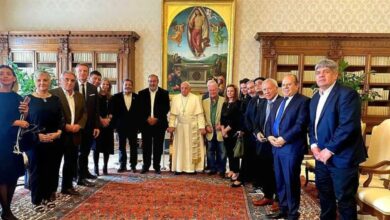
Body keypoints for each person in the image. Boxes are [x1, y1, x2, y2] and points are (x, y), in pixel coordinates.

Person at [309, 59, 366, 220]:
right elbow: (311, 126)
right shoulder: (314, 98)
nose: (321, 75)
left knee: (345, 200)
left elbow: (348, 126)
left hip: (343, 158)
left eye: (325, 71)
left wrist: (329, 150)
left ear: (335, 75)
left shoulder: (347, 94)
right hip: (321, 157)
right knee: (325, 197)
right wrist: (314, 145)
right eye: (318, 72)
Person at [265, 74, 310, 219]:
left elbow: (300, 125)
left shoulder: (303, 101)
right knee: (280, 180)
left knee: (290, 180)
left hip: (291, 147)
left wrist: (284, 138)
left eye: (289, 84)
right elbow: (270, 122)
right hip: (276, 147)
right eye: (283, 85)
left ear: (297, 85)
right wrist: (269, 136)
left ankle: (292, 212)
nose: (285, 87)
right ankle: (283, 209)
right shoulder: (278, 102)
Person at [27, 71, 64, 211]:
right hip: (35, 141)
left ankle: (48, 196)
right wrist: (37, 136)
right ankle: (37, 199)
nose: (42, 83)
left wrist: (58, 132)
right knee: (37, 169)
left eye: (45, 80)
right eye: (39, 80)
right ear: (35, 81)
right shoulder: (28, 99)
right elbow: (25, 122)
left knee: (52, 169)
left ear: (50, 82)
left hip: (54, 140)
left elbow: (61, 118)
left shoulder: (55, 99)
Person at [0, 65, 33, 220]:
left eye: (8, 74)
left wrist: (25, 114)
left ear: (14, 78)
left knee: (13, 175)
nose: (5, 76)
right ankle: (6, 211)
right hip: (1, 142)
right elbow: (13, 121)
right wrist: (14, 122)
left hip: (15, 143)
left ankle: (7, 208)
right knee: (1, 176)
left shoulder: (18, 97)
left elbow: (24, 119)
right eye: (1, 74)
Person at [51, 71, 87, 196]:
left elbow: (84, 113)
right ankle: (52, 190)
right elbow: (51, 115)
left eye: (72, 80)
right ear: (60, 80)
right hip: (59, 134)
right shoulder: (53, 94)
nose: (69, 82)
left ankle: (67, 186)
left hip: (74, 134)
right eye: (66, 79)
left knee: (71, 162)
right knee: (54, 163)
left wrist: (79, 125)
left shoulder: (79, 96)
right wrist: (64, 126)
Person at [251, 79, 280, 208]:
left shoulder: (282, 103)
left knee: (278, 173)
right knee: (266, 171)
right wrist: (257, 133)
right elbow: (256, 123)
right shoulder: (262, 103)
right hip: (263, 143)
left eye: (269, 89)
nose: (266, 92)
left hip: (277, 144)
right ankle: (268, 196)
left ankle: (279, 200)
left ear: (276, 88)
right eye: (264, 89)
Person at [167, 81, 206, 174]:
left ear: (190, 89)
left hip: (192, 127)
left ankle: (191, 169)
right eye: (182, 88)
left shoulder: (195, 98)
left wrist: (201, 127)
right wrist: (171, 125)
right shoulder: (176, 98)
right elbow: (172, 115)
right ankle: (178, 168)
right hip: (179, 127)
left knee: (190, 149)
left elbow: (200, 114)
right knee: (180, 149)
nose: (183, 90)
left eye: (186, 88)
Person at [138, 74, 170, 174]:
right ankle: (146, 166)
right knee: (146, 146)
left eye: (154, 81)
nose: (152, 83)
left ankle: (157, 166)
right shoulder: (141, 93)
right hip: (145, 124)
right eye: (150, 81)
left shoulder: (164, 93)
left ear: (158, 82)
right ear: (148, 82)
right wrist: (147, 118)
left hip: (159, 123)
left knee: (158, 146)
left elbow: (166, 108)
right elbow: (139, 108)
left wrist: (156, 118)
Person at [74, 63, 100, 186]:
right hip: (75, 126)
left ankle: (84, 172)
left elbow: (96, 109)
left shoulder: (93, 88)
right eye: (80, 71)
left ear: (88, 73)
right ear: (76, 72)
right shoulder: (71, 86)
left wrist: (96, 126)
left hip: (89, 126)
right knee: (76, 152)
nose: (83, 73)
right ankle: (78, 176)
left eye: (85, 71)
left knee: (85, 151)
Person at [111, 79, 140, 173]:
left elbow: (140, 113)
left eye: (129, 84)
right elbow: (113, 112)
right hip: (121, 127)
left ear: (132, 86)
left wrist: (139, 127)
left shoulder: (137, 97)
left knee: (133, 147)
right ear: (122, 86)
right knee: (121, 147)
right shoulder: (116, 97)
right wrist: (114, 126)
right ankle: (122, 165)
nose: (127, 86)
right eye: (126, 84)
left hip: (133, 127)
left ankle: (133, 165)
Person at [202, 80, 226, 177]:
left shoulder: (224, 100)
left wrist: (222, 124)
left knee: (222, 151)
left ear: (217, 89)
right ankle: (212, 168)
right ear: (208, 90)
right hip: (209, 131)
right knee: (210, 151)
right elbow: (201, 116)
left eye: (214, 90)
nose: (212, 92)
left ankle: (221, 169)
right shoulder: (204, 102)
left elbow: (227, 116)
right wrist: (205, 126)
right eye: (210, 90)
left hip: (220, 130)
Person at [93, 78, 114, 176]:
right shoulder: (96, 97)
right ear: (100, 85)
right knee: (97, 147)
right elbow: (94, 110)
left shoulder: (111, 98)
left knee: (107, 147)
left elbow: (113, 111)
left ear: (109, 86)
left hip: (108, 126)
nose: (105, 86)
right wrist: (101, 120)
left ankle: (105, 166)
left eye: (107, 84)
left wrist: (108, 119)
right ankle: (96, 167)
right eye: (103, 84)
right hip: (98, 125)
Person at [220, 84, 241, 181]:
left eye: (231, 91)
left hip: (233, 133)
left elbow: (235, 120)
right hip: (225, 133)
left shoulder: (238, 103)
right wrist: (223, 130)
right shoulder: (225, 103)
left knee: (234, 154)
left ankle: (236, 172)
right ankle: (231, 170)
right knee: (229, 153)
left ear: (235, 92)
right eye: (228, 91)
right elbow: (222, 118)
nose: (229, 93)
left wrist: (226, 130)